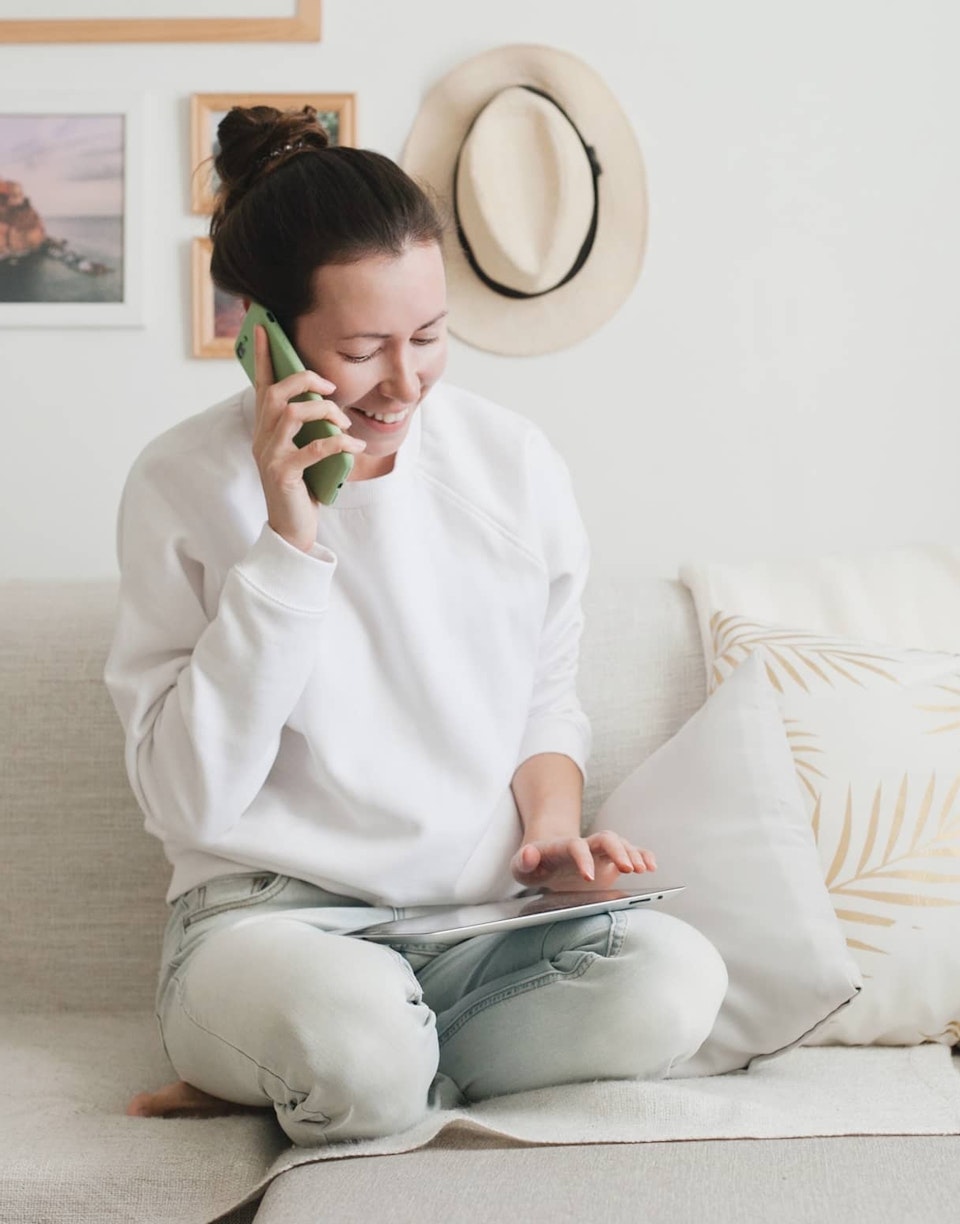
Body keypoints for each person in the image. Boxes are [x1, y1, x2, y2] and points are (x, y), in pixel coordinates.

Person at [105, 105, 728, 1146]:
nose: (406, 383)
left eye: (430, 337)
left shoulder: (512, 462)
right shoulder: (181, 484)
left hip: (470, 928)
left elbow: (542, 701)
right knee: (358, 1038)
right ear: (260, 336)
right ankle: (345, 1056)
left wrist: (551, 833)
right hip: (264, 922)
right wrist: (291, 541)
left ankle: (338, 1074)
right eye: (361, 348)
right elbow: (189, 797)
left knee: (675, 982)